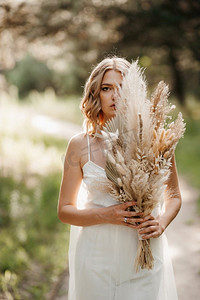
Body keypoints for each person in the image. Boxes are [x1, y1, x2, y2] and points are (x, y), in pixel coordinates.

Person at [57, 57, 181, 300]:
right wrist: (107, 215)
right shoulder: (80, 145)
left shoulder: (156, 139)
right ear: (96, 94)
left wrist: (162, 221)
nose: (115, 96)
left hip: (144, 259)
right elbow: (64, 210)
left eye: (122, 87)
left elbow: (174, 195)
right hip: (95, 259)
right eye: (106, 88)